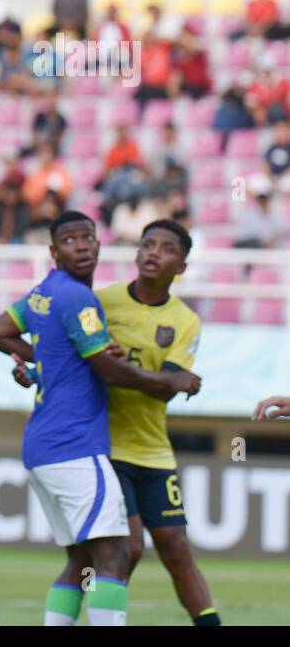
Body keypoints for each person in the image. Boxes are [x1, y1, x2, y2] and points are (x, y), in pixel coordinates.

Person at [0, 211, 201, 626]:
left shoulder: (45, 291)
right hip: (75, 446)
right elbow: (109, 369)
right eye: (70, 240)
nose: (82, 246)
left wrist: (49, 361)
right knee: (115, 553)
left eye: (88, 238)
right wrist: (177, 380)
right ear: (53, 251)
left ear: (100, 245)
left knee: (80, 560)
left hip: (42, 447)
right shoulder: (80, 298)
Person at [94, 220, 221, 625]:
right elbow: (167, 381)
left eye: (166, 249)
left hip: (154, 451)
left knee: (176, 546)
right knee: (128, 548)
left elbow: (165, 391)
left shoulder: (186, 321)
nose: (153, 253)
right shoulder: (101, 302)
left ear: (180, 267)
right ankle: (100, 616)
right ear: (136, 253)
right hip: (105, 446)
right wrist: (116, 370)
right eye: (148, 245)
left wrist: (117, 368)